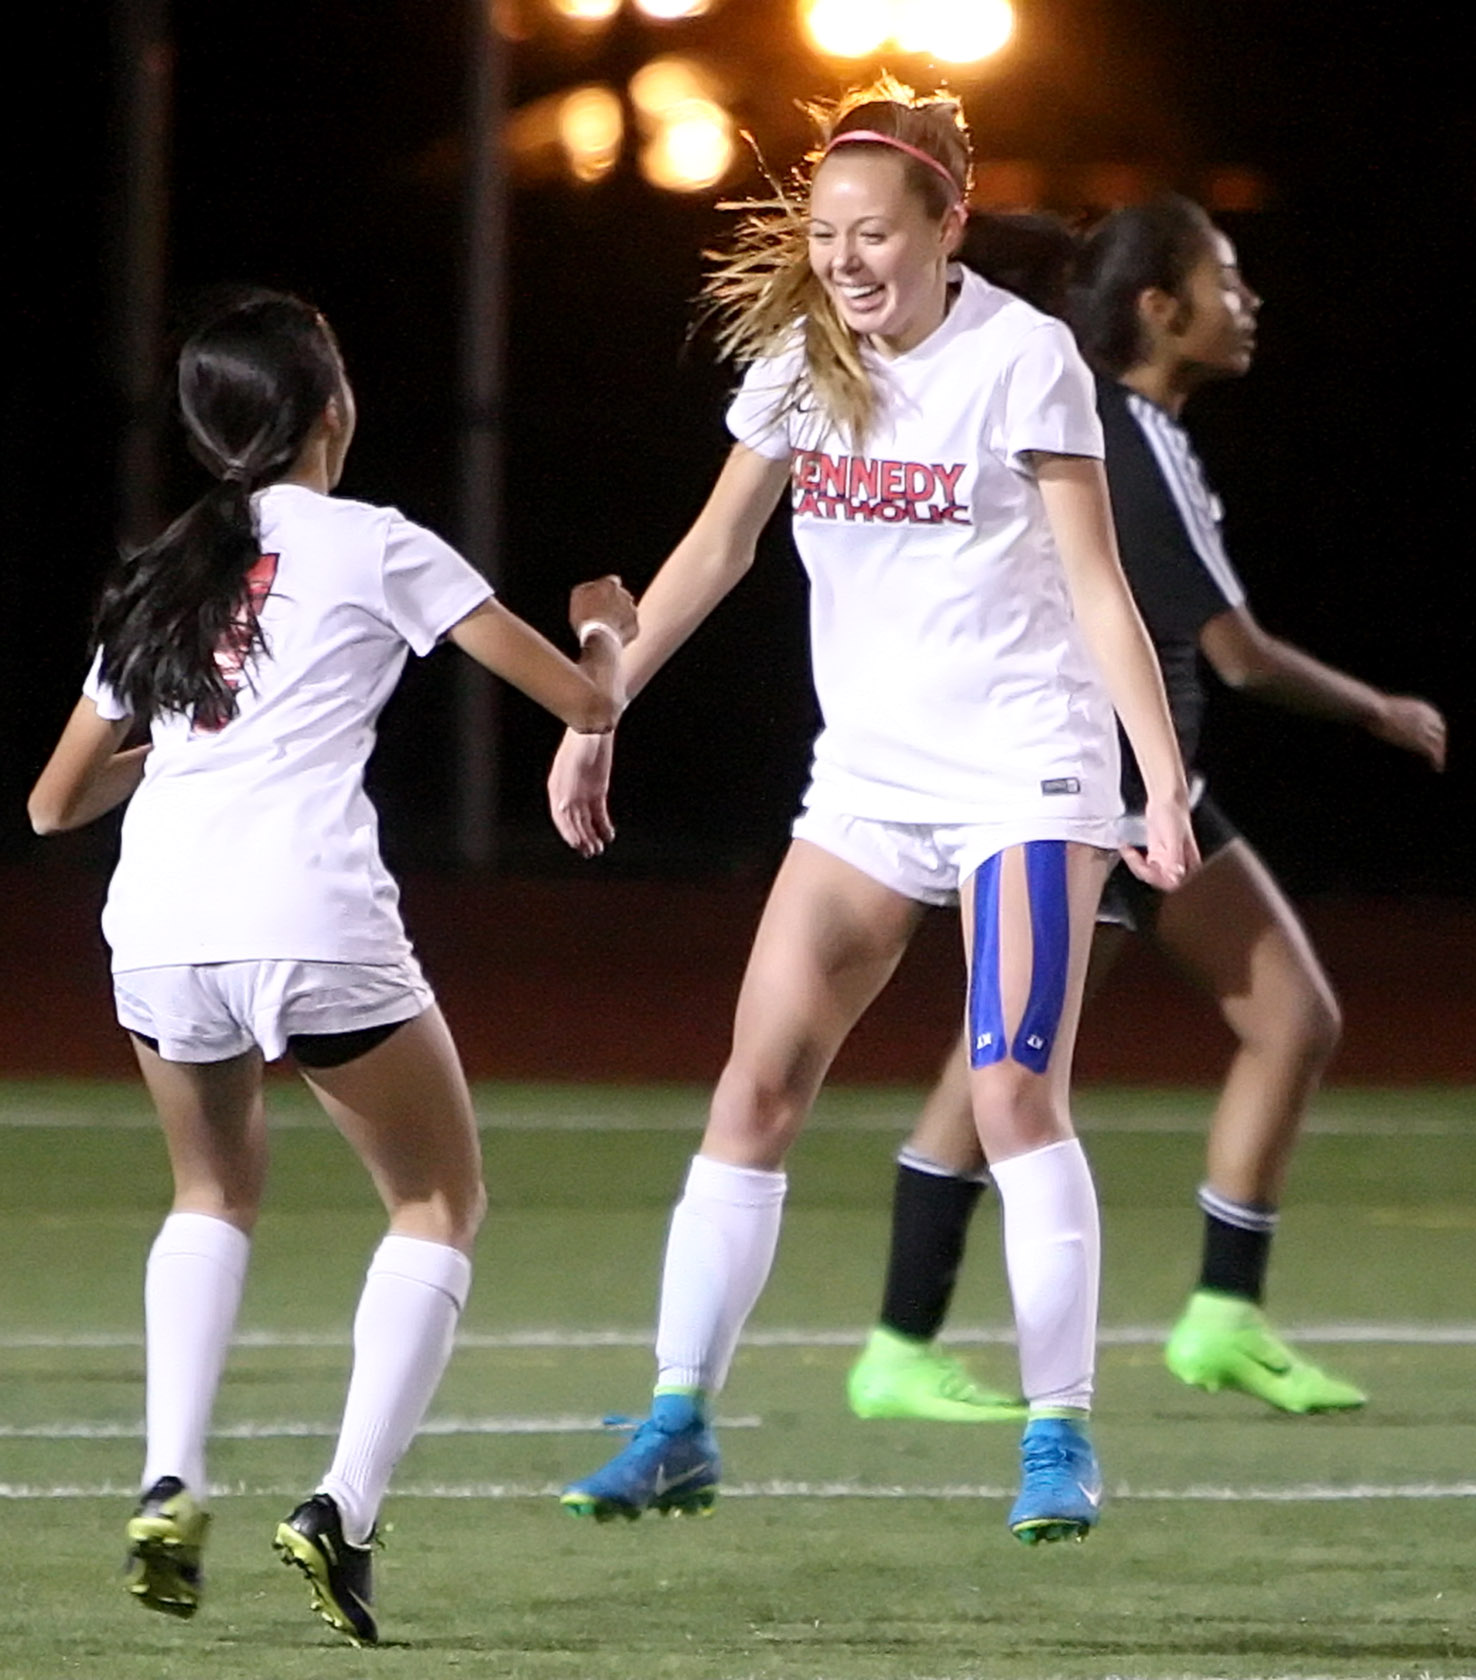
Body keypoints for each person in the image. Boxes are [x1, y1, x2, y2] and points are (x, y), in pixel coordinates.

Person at [545, 79, 1198, 1545]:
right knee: (756, 1088)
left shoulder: (1023, 359)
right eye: (827, 234)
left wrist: (1158, 782)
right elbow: (715, 546)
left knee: (1017, 1091)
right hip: (873, 785)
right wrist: (602, 711)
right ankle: (675, 1423)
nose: (846, 262)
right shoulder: (803, 356)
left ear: (946, 227)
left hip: (1027, 773)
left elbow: (1100, 585)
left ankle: (1058, 1435)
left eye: (875, 236)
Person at [27, 291, 636, 1644]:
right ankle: (342, 1512)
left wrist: (191, 741)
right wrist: (606, 623)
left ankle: (169, 1478)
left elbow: (52, 805)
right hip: (311, 916)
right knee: (437, 1202)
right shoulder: (379, 545)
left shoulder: (166, 568)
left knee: (210, 1192)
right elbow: (584, 702)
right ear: (327, 408)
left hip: (165, 924)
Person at [845, 197, 1448, 1427]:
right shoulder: (1123, 426)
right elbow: (1235, 653)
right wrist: (1380, 708)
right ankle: (938, 1340)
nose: (1250, 302)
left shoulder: (1108, 417)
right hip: (1104, 778)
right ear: (1160, 311)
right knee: (1086, 1050)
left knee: (1050, 1054)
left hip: (1122, 771)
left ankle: (1168, 1320)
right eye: (1227, 279)